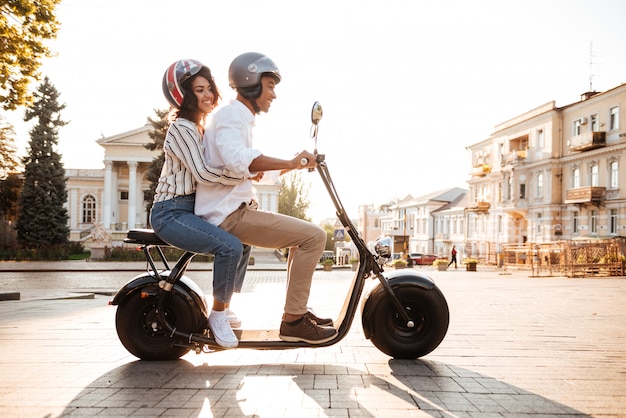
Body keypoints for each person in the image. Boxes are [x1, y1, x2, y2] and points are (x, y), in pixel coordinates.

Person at [195, 52, 337, 344]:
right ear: (251, 81)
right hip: (230, 216)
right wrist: (291, 161)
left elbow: (238, 164)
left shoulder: (238, 118)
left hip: (234, 211)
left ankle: (296, 311)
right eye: (270, 85)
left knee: (303, 237)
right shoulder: (233, 115)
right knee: (314, 237)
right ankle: (294, 321)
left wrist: (283, 167)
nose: (274, 94)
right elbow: (238, 159)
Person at [150, 58, 249, 348]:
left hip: (191, 210)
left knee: (243, 238)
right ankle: (217, 316)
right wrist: (238, 176)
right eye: (199, 90)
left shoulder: (199, 128)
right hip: (170, 212)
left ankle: (225, 305)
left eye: (209, 88)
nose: (207, 95)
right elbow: (204, 173)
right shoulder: (181, 128)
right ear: (183, 95)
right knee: (229, 246)